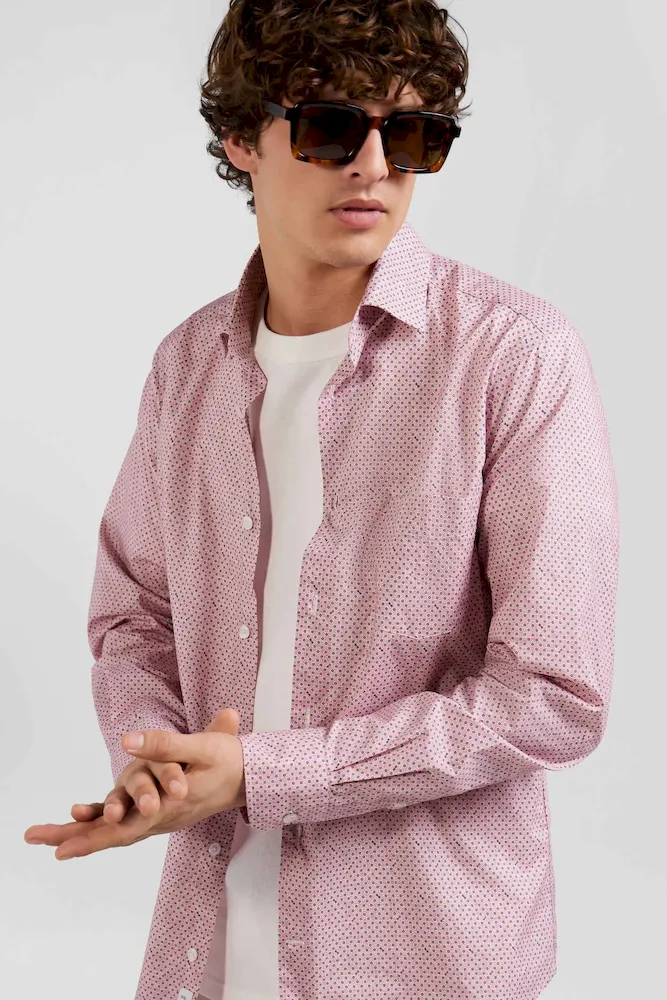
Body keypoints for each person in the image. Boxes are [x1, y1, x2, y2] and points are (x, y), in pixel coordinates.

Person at [24, 3, 620, 1000]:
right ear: (241, 137)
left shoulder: (515, 358)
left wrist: (267, 773)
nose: (375, 166)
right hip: (210, 950)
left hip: (424, 961)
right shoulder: (187, 368)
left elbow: (553, 695)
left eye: (413, 135)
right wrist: (159, 763)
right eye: (333, 128)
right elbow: (133, 616)